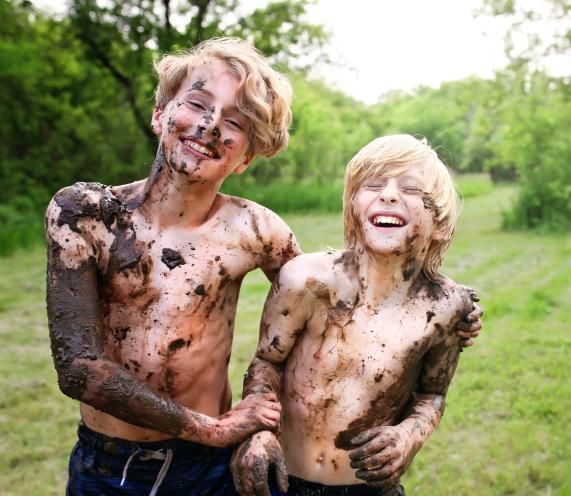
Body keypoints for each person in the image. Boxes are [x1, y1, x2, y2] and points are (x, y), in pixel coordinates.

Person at [45, 37, 482, 495]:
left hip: (211, 469)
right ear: (160, 114)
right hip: (110, 464)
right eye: (197, 104)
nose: (211, 126)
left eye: (234, 122)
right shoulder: (86, 214)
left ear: (245, 157)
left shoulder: (255, 230)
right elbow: (79, 368)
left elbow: (333, 303)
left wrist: (450, 310)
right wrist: (215, 430)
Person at [231, 134, 482, 496]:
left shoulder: (444, 307)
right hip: (281, 479)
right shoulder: (308, 280)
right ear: (353, 207)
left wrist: (407, 436)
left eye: (410, 189)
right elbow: (266, 363)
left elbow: (433, 394)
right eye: (374, 184)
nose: (390, 195)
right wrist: (259, 432)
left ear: (439, 223)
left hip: (369, 488)